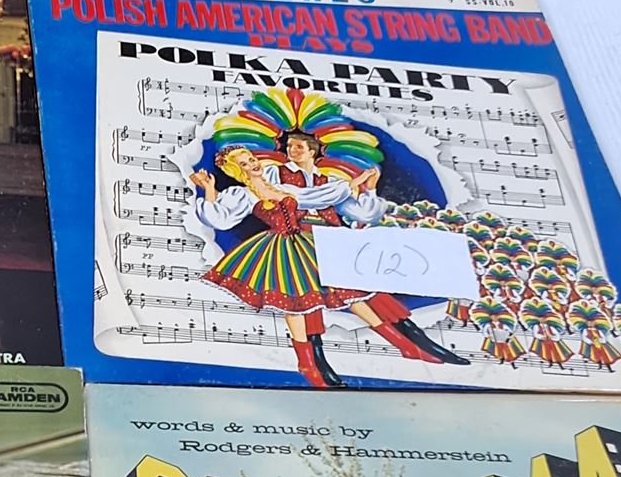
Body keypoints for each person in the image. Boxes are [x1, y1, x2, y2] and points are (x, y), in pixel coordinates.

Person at [271, 125, 470, 368]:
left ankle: (415, 344)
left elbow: (364, 214)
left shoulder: (329, 180)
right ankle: (315, 364)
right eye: (289, 146)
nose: (292, 150)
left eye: (298, 146)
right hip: (298, 241)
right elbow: (297, 198)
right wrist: (348, 186)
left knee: (365, 293)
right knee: (307, 299)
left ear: (312, 151)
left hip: (331, 241)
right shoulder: (277, 175)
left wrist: (370, 188)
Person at [186, 145, 370, 389]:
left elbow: (317, 196)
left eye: (252, 158)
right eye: (244, 164)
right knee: (292, 301)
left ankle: (316, 363)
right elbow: (218, 219)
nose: (252, 164)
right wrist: (209, 189)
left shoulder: (280, 185)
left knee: (328, 292)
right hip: (279, 248)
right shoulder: (243, 195)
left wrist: (355, 182)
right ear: (236, 170)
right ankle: (306, 363)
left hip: (305, 244)